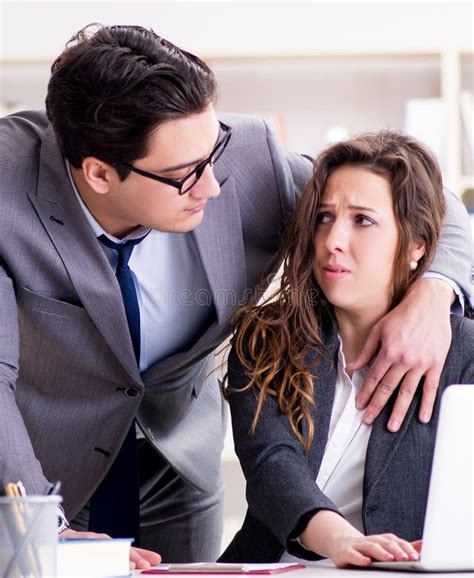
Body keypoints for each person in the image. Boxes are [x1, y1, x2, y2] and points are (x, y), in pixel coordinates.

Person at [0, 23, 472, 567]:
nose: (214, 186)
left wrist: (436, 292)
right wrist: (42, 529)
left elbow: (423, 200)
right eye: (185, 175)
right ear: (100, 174)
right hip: (45, 469)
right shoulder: (10, 188)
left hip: (177, 461)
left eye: (213, 151)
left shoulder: (247, 161)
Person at [220, 131, 474, 567]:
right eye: (323, 217)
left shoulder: (463, 351)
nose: (333, 240)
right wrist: (340, 540)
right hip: (276, 567)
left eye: (363, 220)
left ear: (416, 244)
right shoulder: (265, 337)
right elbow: (271, 466)